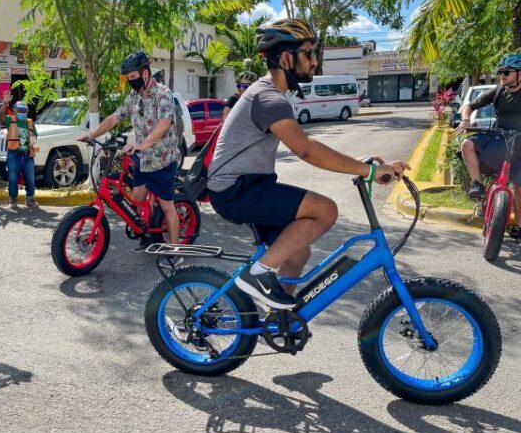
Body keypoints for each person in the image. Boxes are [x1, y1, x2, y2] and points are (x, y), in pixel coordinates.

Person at [207, 19, 408, 310]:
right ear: (286, 58)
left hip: (249, 185)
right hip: (235, 189)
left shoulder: (271, 95)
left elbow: (309, 142)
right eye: (309, 54)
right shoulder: (267, 97)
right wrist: (371, 171)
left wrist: (360, 163)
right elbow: (306, 150)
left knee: (297, 254)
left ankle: (279, 316)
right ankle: (257, 276)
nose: (314, 62)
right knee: (325, 210)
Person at [78, 51, 182, 253]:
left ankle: (175, 251)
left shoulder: (163, 94)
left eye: (133, 78)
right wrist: (92, 134)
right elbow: (114, 118)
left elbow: (165, 122)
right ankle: (149, 234)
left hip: (162, 159)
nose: (130, 82)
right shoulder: (134, 97)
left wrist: (143, 145)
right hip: (142, 159)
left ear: (145, 73)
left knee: (167, 206)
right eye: (128, 79)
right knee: (138, 198)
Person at [456, 53, 521, 235]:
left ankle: (518, 226)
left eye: (506, 72)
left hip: (520, 144)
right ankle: (477, 184)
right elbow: (468, 106)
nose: (502, 75)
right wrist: (466, 119)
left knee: (519, 187)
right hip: (500, 138)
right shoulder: (498, 91)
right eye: (501, 72)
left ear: (520, 74)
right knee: (467, 144)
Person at [5, 100, 39, 209]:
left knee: (30, 177)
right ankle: (13, 200)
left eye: (24, 110)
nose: (22, 112)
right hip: (13, 155)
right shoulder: (10, 120)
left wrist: (30, 145)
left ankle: (30, 199)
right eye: (20, 110)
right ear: (14, 110)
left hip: (27, 155)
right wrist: (5, 104)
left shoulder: (29, 123)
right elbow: (0, 115)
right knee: (13, 177)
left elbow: (34, 138)